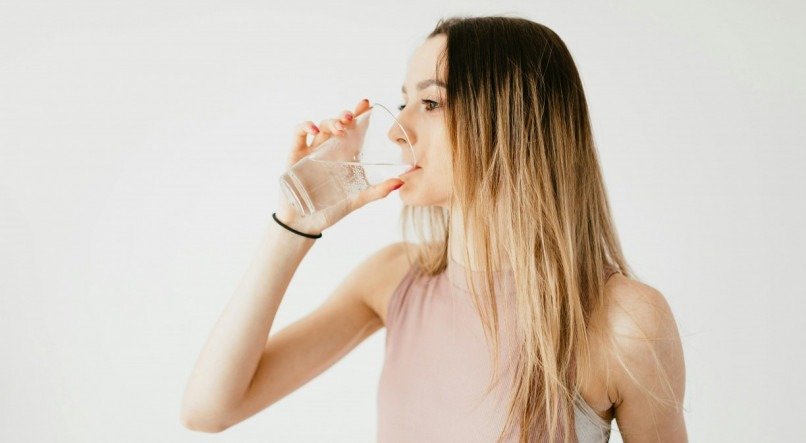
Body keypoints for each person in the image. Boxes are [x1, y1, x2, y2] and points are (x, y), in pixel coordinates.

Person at [180, 15, 687, 442]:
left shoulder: (624, 322)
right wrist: (294, 222)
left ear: (513, 119)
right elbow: (209, 410)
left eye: (430, 103)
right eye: (403, 102)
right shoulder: (394, 279)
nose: (397, 130)